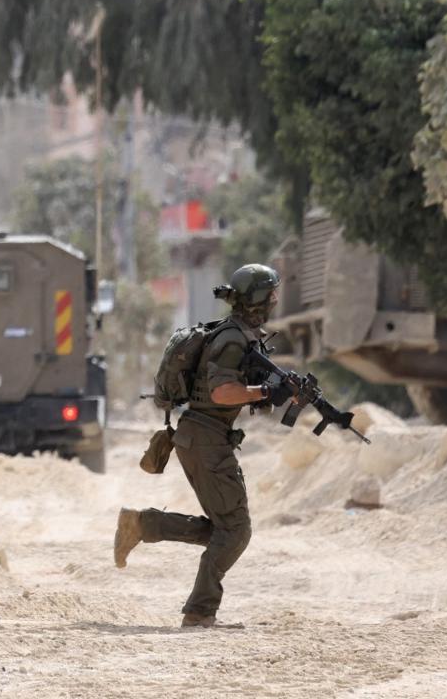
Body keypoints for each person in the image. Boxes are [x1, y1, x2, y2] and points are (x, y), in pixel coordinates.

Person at [113, 263, 298, 628]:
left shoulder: (241, 334)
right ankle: (199, 612)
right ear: (260, 298)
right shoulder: (231, 339)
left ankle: (141, 524)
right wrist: (265, 392)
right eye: (272, 293)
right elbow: (219, 391)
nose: (276, 299)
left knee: (223, 531)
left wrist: (275, 394)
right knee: (236, 531)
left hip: (203, 436)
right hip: (205, 439)